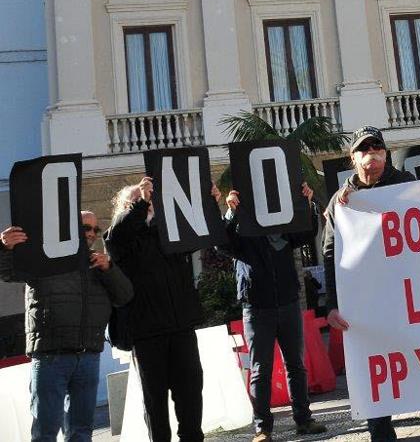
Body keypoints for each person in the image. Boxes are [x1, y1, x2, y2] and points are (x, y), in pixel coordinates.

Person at [322, 126, 420, 442]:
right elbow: (331, 254)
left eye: (377, 147)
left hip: (412, 298)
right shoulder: (341, 202)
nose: (372, 153)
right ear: (352, 157)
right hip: (366, 304)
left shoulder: (407, 186)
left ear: (386, 153)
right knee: (374, 371)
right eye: (364, 148)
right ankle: (381, 434)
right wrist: (331, 304)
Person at [1, 212, 133, 442]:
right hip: (51, 356)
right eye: (85, 228)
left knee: (81, 432)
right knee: (45, 431)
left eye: (95, 230)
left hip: (89, 356)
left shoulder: (98, 264)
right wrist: (3, 248)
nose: (91, 234)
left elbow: (125, 296)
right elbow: (7, 272)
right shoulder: (45, 258)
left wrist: (110, 268)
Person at [223, 181, 328, 442]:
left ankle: (303, 420)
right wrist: (230, 214)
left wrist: (307, 204)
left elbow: (305, 233)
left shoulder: (281, 221)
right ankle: (263, 429)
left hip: (288, 301)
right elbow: (221, 244)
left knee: (296, 365)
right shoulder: (240, 226)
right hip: (257, 307)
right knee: (261, 369)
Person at [104, 178, 208, 442]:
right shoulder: (120, 240)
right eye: (138, 201)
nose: (147, 204)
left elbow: (201, 231)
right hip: (147, 332)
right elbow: (117, 236)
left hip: (181, 326)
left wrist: (209, 202)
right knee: (155, 402)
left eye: (148, 201)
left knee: (191, 393)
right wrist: (139, 204)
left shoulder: (169, 232)